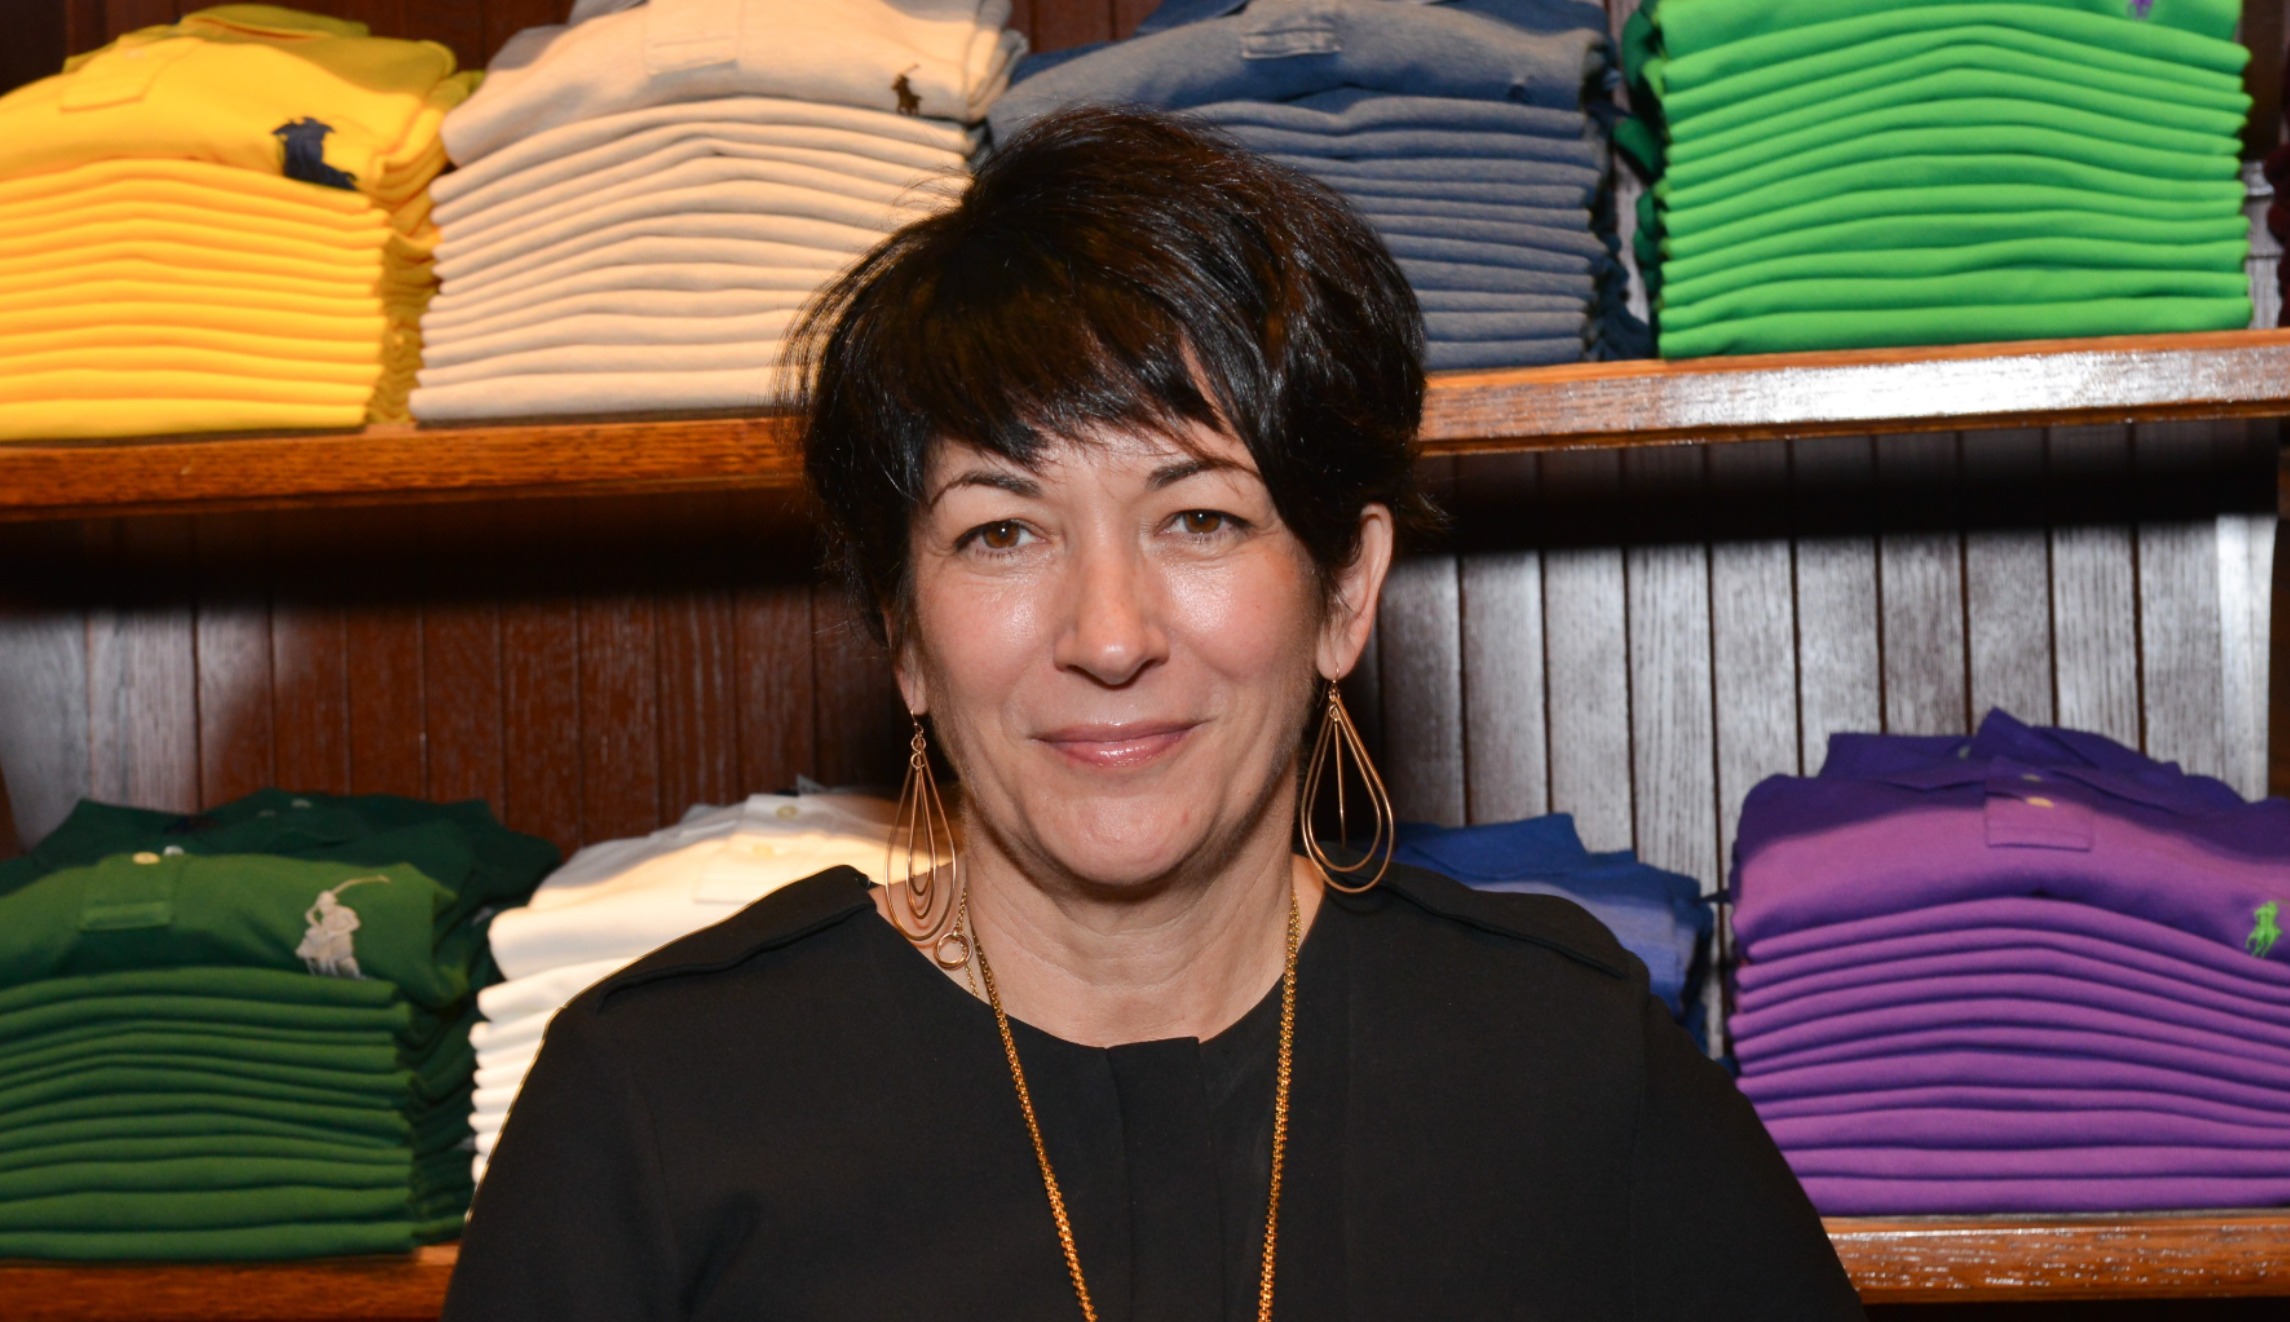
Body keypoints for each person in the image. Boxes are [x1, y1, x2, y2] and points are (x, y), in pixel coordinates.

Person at [444, 107, 1863, 1322]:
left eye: (1198, 518)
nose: (1109, 635)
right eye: (1002, 533)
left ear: (1343, 592)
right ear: (904, 635)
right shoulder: (652, 1102)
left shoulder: (1571, 1064)